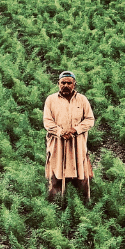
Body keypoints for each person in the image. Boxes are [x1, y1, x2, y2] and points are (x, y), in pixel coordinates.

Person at [43, 70, 95, 200]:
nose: (66, 85)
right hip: (57, 144)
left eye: (69, 83)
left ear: (74, 84)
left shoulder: (82, 100)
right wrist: (60, 132)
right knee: (56, 174)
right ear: (58, 84)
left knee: (81, 174)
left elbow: (90, 120)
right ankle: (55, 206)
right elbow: (47, 122)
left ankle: (83, 205)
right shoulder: (51, 100)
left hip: (78, 143)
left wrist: (75, 130)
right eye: (63, 83)